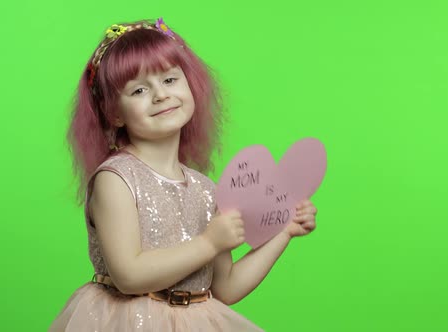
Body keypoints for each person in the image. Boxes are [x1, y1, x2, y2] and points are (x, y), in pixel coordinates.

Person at [49, 17, 318, 331]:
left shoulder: (205, 190)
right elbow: (128, 275)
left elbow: (226, 288)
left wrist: (283, 232)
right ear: (114, 113)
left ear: (190, 84)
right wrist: (209, 243)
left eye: (169, 79)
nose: (161, 95)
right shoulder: (116, 178)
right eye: (138, 90)